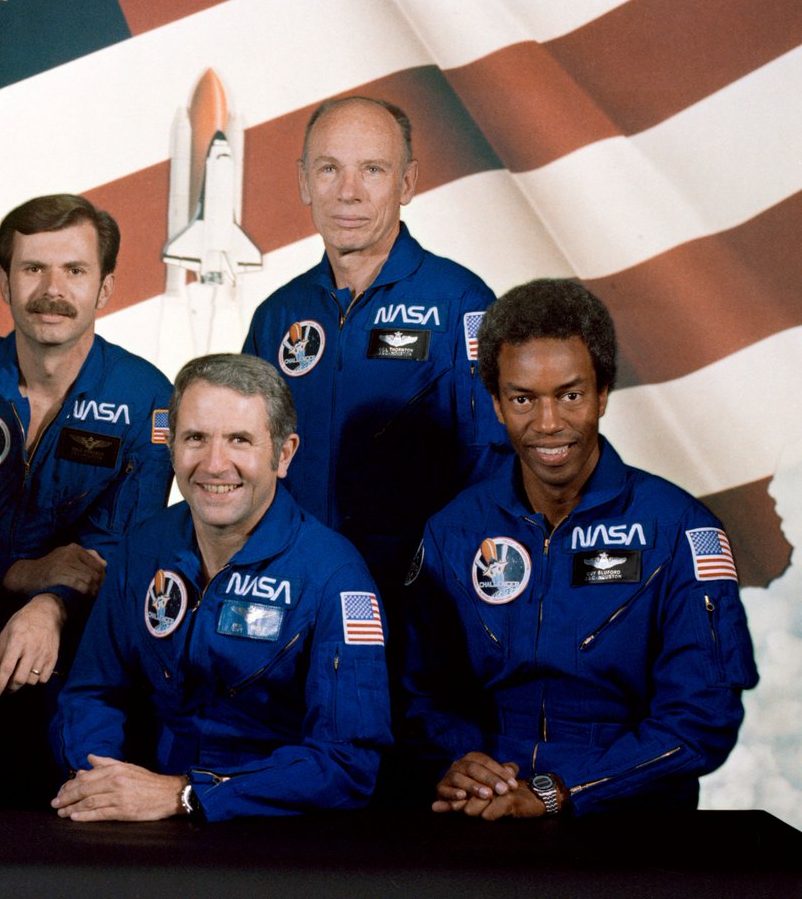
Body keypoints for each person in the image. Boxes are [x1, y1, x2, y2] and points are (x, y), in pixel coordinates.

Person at [402, 279, 758, 818]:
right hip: (486, 807)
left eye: (570, 395)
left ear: (603, 394)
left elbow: (701, 720)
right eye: (523, 399)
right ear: (496, 404)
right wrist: (460, 763)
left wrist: (560, 792)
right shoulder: (453, 531)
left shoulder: (681, 531)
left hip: (628, 815)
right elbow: (418, 695)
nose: (548, 424)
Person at [0, 193, 173, 805]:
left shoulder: (146, 397)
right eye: (33, 269)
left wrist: (50, 606)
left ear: (104, 288)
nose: (53, 290)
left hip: (86, 664)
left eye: (74, 270)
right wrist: (22, 574)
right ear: (4, 282)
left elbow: (121, 547)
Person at [50, 354, 391, 822]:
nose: (214, 464)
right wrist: (99, 779)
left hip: (269, 831)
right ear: (171, 446)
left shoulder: (335, 578)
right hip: (144, 816)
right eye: (195, 438)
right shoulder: (144, 548)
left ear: (283, 454)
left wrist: (189, 795)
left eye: (239, 440)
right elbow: (93, 692)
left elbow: (347, 763)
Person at [242, 96, 508, 587]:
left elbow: (492, 467)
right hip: (296, 589)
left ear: (406, 182)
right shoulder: (278, 316)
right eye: (329, 169)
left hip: (416, 598)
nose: (349, 193)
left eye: (372, 170)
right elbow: (246, 461)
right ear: (303, 181)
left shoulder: (462, 305)